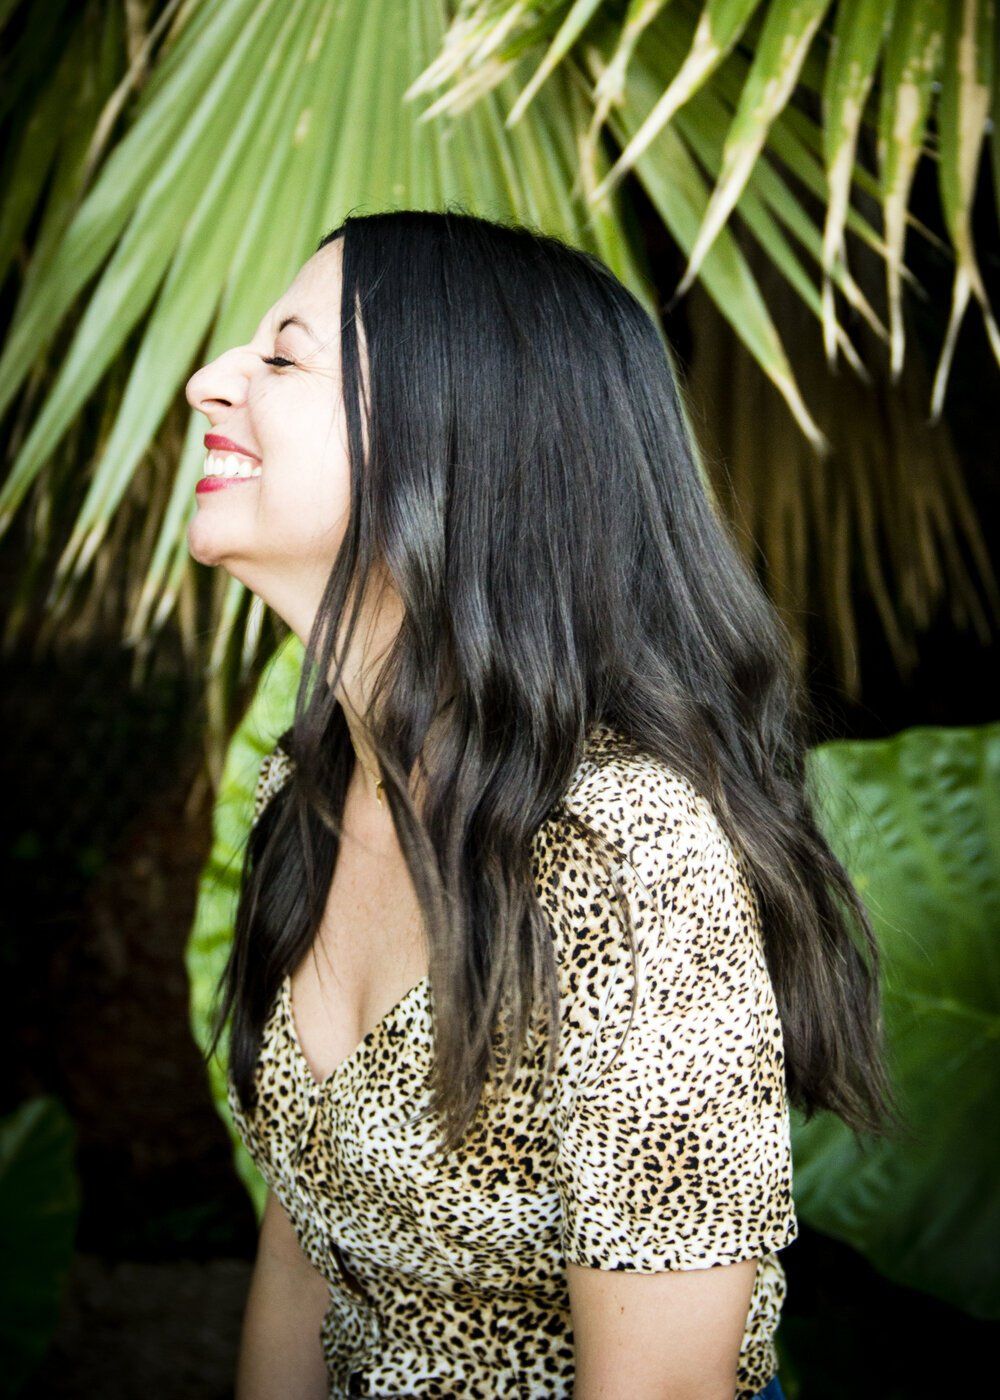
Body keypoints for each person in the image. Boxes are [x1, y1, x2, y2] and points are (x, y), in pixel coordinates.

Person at [187, 209, 901, 1400]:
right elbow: (305, 1245)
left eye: (284, 355)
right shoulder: (306, 787)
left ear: (455, 442)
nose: (210, 380)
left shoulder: (629, 858)